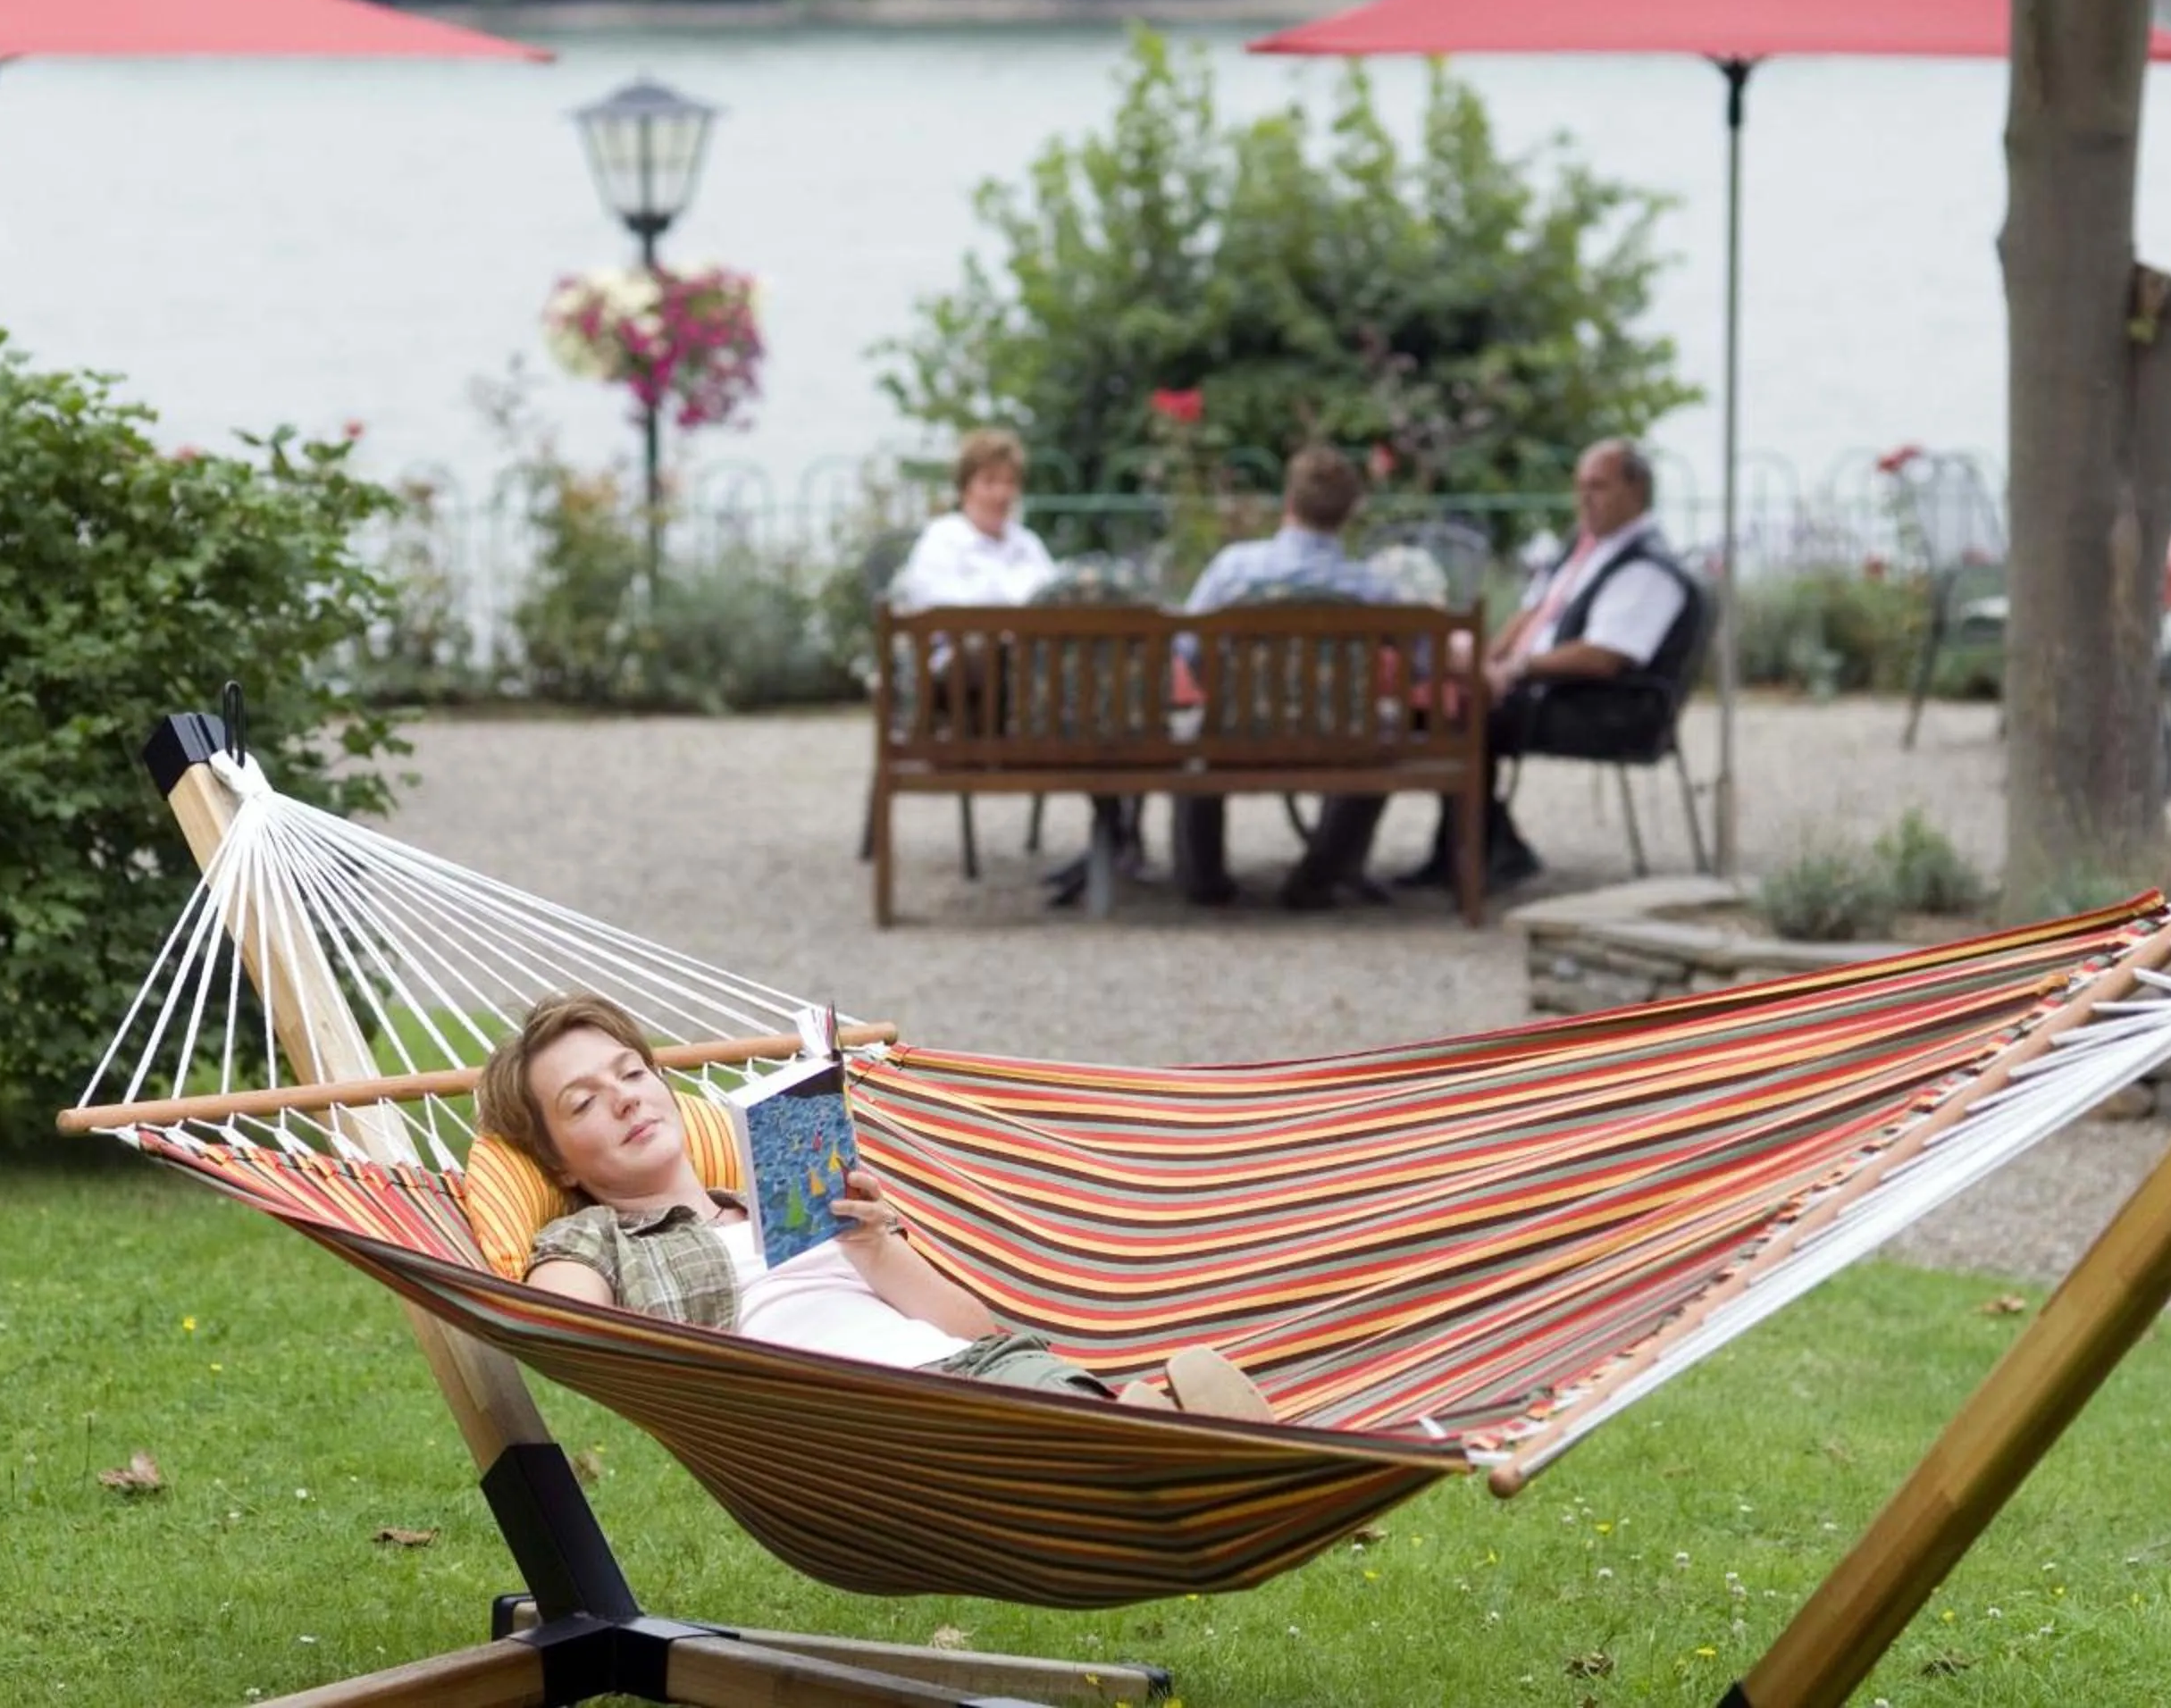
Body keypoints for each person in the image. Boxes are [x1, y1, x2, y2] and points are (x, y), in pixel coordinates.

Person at [476, 990, 1273, 1420]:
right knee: (1050, 1436)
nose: (624, 1099)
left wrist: (873, 1246)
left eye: (631, 1073)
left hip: (970, 1372)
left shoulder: (786, 1195)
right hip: (857, 1422)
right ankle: (1180, 1446)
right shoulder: (594, 1238)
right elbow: (568, 1333)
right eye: (583, 1102)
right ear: (557, 1161)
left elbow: (976, 1333)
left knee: (1040, 1388)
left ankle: (1171, 1444)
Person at [1395, 439, 1701, 893]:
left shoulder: (1648, 569)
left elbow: (1603, 657)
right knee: (1452, 700)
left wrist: (1513, 670)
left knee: (1463, 714)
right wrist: (1486, 663)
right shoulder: (1585, 548)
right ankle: (1477, 849)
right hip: (1548, 691)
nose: (1584, 498)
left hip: (1610, 709)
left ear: (1636, 490)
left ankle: (1483, 852)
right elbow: (1531, 612)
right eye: (1580, 487)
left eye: (1597, 486)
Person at [1170, 444, 1402, 913]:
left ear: (1289, 503)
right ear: (1349, 512)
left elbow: (1187, 649)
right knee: (1381, 741)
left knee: (1195, 742)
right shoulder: (1371, 586)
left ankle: (1204, 879)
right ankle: (1318, 877)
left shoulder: (1235, 569)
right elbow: (1418, 664)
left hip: (1236, 732)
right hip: (1341, 736)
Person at [889, 428, 1055, 612]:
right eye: (990, 481)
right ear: (964, 489)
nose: (1001, 493)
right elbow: (938, 604)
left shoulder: (1028, 543)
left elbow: (1054, 597)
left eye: (1010, 482)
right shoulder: (942, 539)